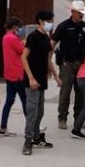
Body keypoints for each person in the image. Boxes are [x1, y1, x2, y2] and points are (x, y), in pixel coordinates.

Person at [21, 9, 60, 156]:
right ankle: (27, 141)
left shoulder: (45, 38)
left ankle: (36, 137)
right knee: (32, 111)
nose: (50, 24)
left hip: (42, 81)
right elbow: (23, 57)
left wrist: (56, 76)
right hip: (32, 81)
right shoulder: (33, 37)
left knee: (40, 111)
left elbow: (48, 59)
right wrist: (30, 77)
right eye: (48, 21)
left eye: (51, 21)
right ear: (40, 21)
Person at [51, 0, 85, 129]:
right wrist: (46, 57)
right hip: (66, 63)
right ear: (73, 11)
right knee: (65, 91)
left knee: (80, 92)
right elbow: (53, 42)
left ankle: (78, 119)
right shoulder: (63, 26)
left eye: (82, 12)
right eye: (79, 12)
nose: (81, 15)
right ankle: (62, 118)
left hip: (81, 64)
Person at [0, 16, 26, 137]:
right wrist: (25, 41)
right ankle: (32, 125)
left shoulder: (5, 37)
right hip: (18, 73)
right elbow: (23, 50)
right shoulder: (13, 39)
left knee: (9, 101)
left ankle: (3, 127)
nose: (20, 29)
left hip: (9, 73)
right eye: (19, 27)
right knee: (25, 100)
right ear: (15, 27)